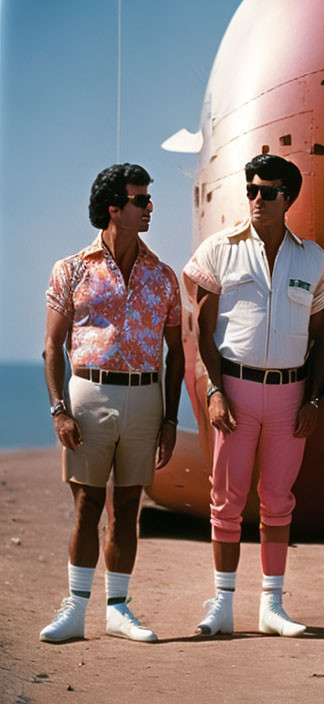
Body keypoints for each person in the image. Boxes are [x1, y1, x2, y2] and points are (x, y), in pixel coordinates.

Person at [183, 153, 324, 637]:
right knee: (226, 500)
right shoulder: (220, 250)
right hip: (236, 391)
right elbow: (201, 330)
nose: (255, 199)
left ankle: (272, 607)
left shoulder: (313, 258)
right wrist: (214, 390)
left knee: (277, 499)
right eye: (251, 189)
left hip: (290, 396)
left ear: (287, 198)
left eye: (267, 192)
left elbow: (323, 336)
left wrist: (313, 400)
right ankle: (222, 604)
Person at [40, 163, 184, 643]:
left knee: (128, 508)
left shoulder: (163, 276)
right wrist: (59, 409)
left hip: (146, 395)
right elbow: (52, 346)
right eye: (140, 200)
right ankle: (75, 610)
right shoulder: (72, 269)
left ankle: (118, 611)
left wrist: (170, 418)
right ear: (113, 209)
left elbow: (176, 351)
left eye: (148, 199)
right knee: (87, 503)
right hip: (89, 391)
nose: (149, 208)